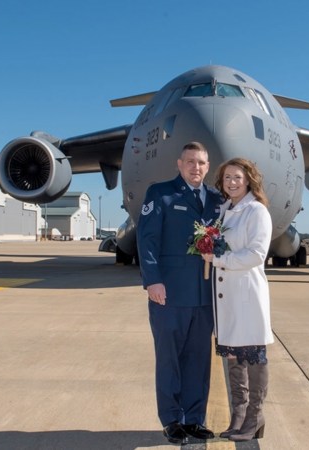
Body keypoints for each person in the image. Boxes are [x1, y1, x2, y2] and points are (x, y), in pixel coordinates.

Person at [136, 141, 222, 444]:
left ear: (207, 166)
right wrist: (153, 281)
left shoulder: (215, 199)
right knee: (169, 359)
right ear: (179, 164)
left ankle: (195, 420)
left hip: (204, 296)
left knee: (199, 361)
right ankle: (172, 420)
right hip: (168, 295)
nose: (195, 167)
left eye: (201, 162)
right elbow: (147, 241)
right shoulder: (161, 194)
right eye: (190, 162)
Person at [201, 157, 273, 442]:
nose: (232, 182)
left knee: (253, 357)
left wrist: (219, 258)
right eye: (227, 178)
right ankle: (239, 417)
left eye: (237, 178)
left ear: (248, 180)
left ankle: (255, 417)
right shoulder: (225, 210)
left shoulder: (256, 211)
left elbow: (257, 254)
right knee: (234, 358)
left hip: (246, 296)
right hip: (227, 297)